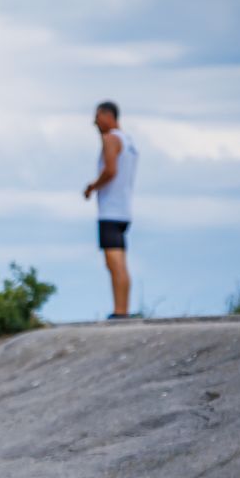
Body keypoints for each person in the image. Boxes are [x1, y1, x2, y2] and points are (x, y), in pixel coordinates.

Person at [83, 100, 138, 318]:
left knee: (113, 263)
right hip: (124, 210)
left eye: (97, 117)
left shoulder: (111, 139)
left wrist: (92, 187)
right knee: (120, 263)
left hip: (110, 210)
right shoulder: (129, 141)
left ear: (108, 116)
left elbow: (110, 170)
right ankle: (122, 309)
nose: (95, 123)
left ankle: (120, 311)